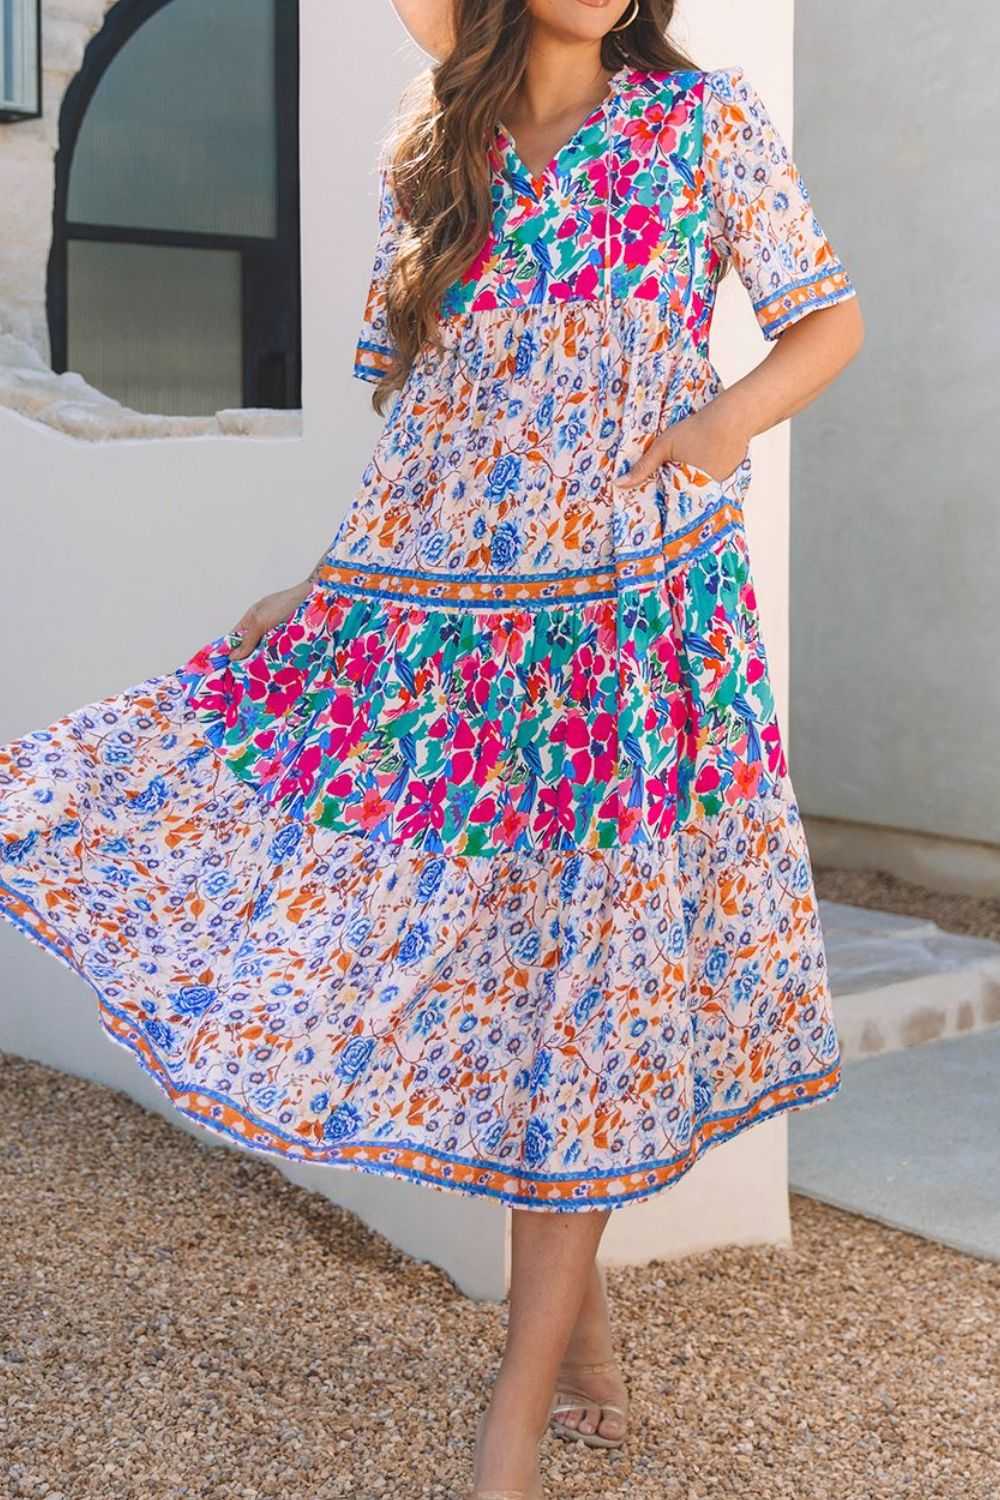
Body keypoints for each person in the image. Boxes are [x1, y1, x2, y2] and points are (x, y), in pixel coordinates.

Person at [0, 1, 864, 1495]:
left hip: (633, 618)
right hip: (451, 617)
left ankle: (513, 1418)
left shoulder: (701, 122)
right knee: (508, 974)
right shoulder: (442, 150)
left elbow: (829, 323)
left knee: (587, 994)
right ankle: (581, 1346)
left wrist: (727, 421)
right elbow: (425, 421)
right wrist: (327, 584)